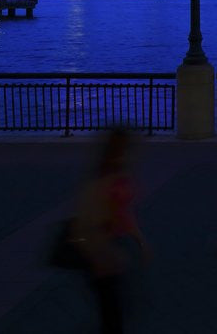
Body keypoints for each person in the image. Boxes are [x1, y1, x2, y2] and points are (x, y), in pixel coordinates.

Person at [74, 128, 147, 334]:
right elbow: (94, 221)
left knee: (115, 309)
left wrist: (140, 241)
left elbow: (124, 214)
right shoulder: (106, 181)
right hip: (103, 251)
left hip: (113, 248)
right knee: (113, 312)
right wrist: (102, 255)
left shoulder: (117, 175)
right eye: (129, 149)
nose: (134, 154)